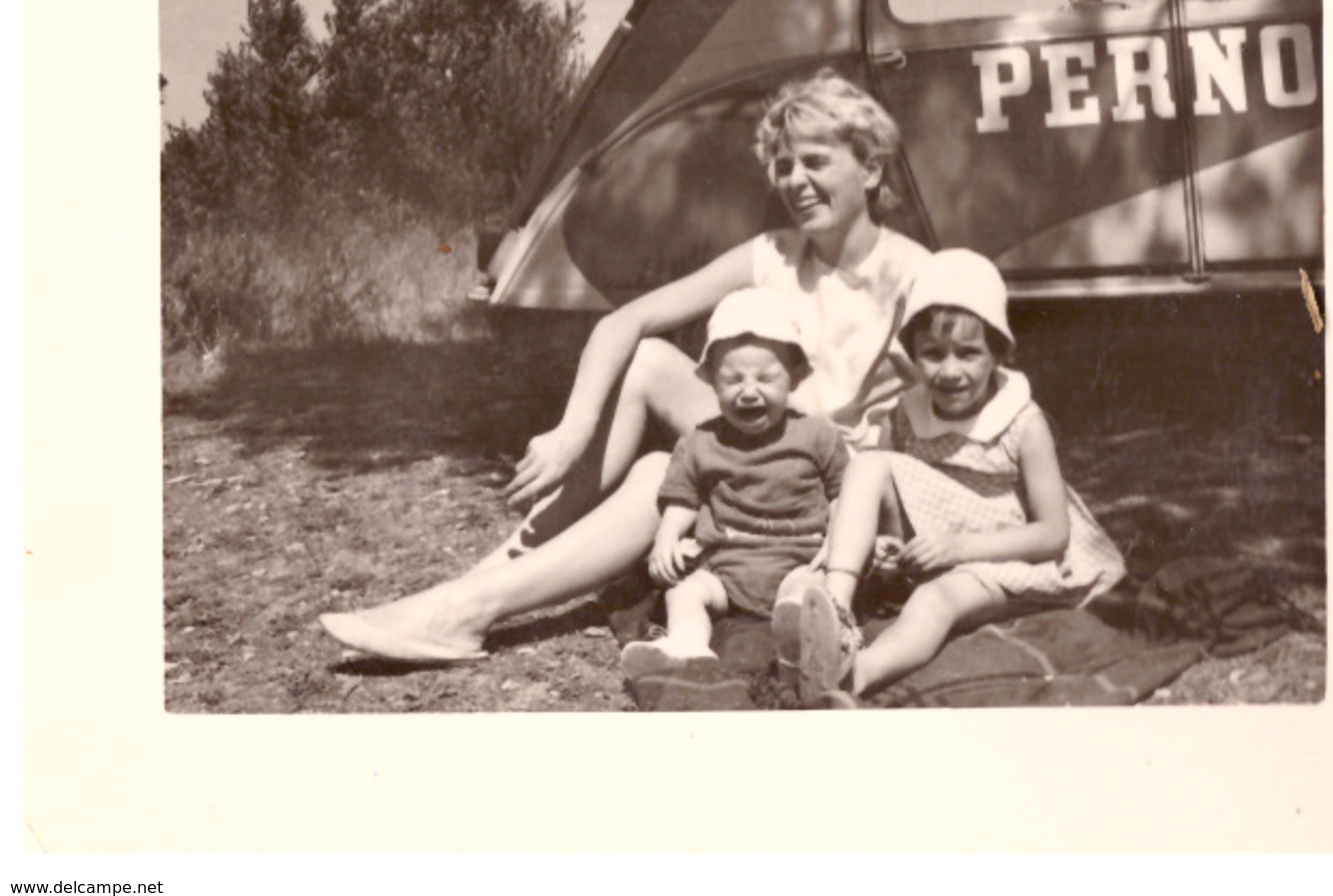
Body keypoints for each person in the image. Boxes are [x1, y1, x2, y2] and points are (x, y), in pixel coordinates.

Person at [319, 69, 930, 663]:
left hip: (834, 493)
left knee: (667, 473)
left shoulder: (913, 272)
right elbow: (623, 324)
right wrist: (571, 432)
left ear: (871, 168)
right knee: (651, 393)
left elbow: (940, 424)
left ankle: (466, 606)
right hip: (765, 445)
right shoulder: (775, 253)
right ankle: (483, 586)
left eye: (815, 162)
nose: (795, 180)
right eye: (784, 165)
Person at [795, 249, 1127, 706]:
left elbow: (1052, 535)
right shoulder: (905, 415)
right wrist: (882, 545)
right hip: (929, 550)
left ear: (998, 353)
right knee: (869, 463)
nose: (950, 371)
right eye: (933, 354)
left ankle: (853, 676)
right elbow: (883, 492)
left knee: (935, 600)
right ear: (913, 355)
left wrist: (958, 549)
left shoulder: (1022, 423)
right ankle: (834, 609)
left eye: (969, 353)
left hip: (1004, 558)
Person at [618, 287, 848, 683]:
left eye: (765, 377)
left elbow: (844, 494)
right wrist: (666, 540)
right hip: (724, 570)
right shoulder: (699, 443)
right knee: (685, 591)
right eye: (732, 379)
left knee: (807, 591)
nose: (748, 391)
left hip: (797, 560)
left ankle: (797, 636)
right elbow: (682, 498)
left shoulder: (818, 437)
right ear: (710, 381)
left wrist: (836, 545)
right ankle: (688, 644)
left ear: (795, 377)